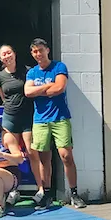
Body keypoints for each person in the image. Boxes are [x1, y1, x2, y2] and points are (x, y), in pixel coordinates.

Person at [0, 43, 45, 206]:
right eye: (3, 54)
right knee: (8, 155)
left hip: (27, 117)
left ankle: (41, 190)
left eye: (9, 53)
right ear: (0, 58)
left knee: (32, 153)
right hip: (10, 118)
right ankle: (13, 190)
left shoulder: (27, 71)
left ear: (14, 53)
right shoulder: (0, 76)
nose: (7, 56)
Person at [24, 38, 87, 209]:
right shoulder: (32, 73)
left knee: (66, 156)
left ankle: (74, 193)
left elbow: (59, 88)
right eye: (35, 51)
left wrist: (39, 90)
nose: (38, 54)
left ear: (47, 50)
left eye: (41, 50)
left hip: (60, 118)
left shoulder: (59, 67)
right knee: (44, 158)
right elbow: (27, 92)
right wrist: (47, 87)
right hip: (40, 120)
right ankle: (47, 194)